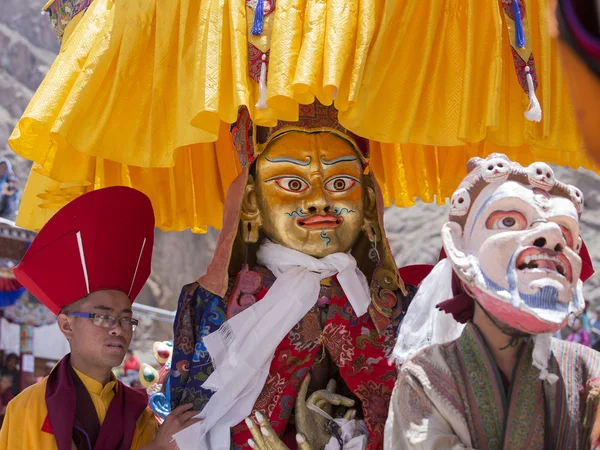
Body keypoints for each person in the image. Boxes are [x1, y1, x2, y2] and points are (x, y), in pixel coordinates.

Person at [168, 101, 415, 450]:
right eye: (292, 183)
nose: (319, 201)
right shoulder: (214, 304)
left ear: (369, 203)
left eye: (341, 182)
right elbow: (191, 426)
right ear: (252, 201)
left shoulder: (400, 309)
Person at [386, 154, 599, 449]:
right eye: (509, 220)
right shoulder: (427, 380)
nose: (551, 237)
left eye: (564, 232)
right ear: (460, 249)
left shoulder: (591, 371)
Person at [0, 186, 199, 450]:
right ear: (67, 325)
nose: (118, 329)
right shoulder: (27, 408)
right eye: (103, 317)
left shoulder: (140, 413)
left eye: (126, 319)